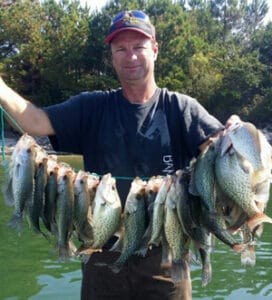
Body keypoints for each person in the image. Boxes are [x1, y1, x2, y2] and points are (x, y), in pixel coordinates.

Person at [0, 10, 226, 300]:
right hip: (101, 255)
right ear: (111, 56)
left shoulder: (181, 109)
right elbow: (34, 122)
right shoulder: (92, 107)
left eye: (138, 47)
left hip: (167, 258)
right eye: (121, 49)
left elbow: (224, 153)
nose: (130, 56)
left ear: (155, 50)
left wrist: (240, 133)